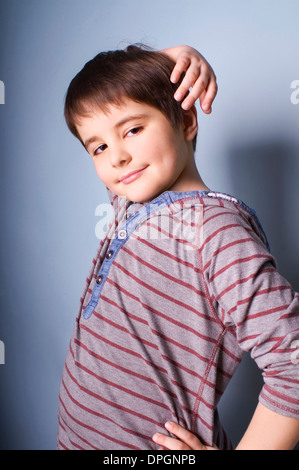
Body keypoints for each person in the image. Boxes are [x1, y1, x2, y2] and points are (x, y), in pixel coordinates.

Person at [58, 44, 299, 450]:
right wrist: (175, 59)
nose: (116, 156)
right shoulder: (131, 205)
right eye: (98, 147)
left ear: (187, 120)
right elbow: (123, 137)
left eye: (133, 130)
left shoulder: (215, 230)